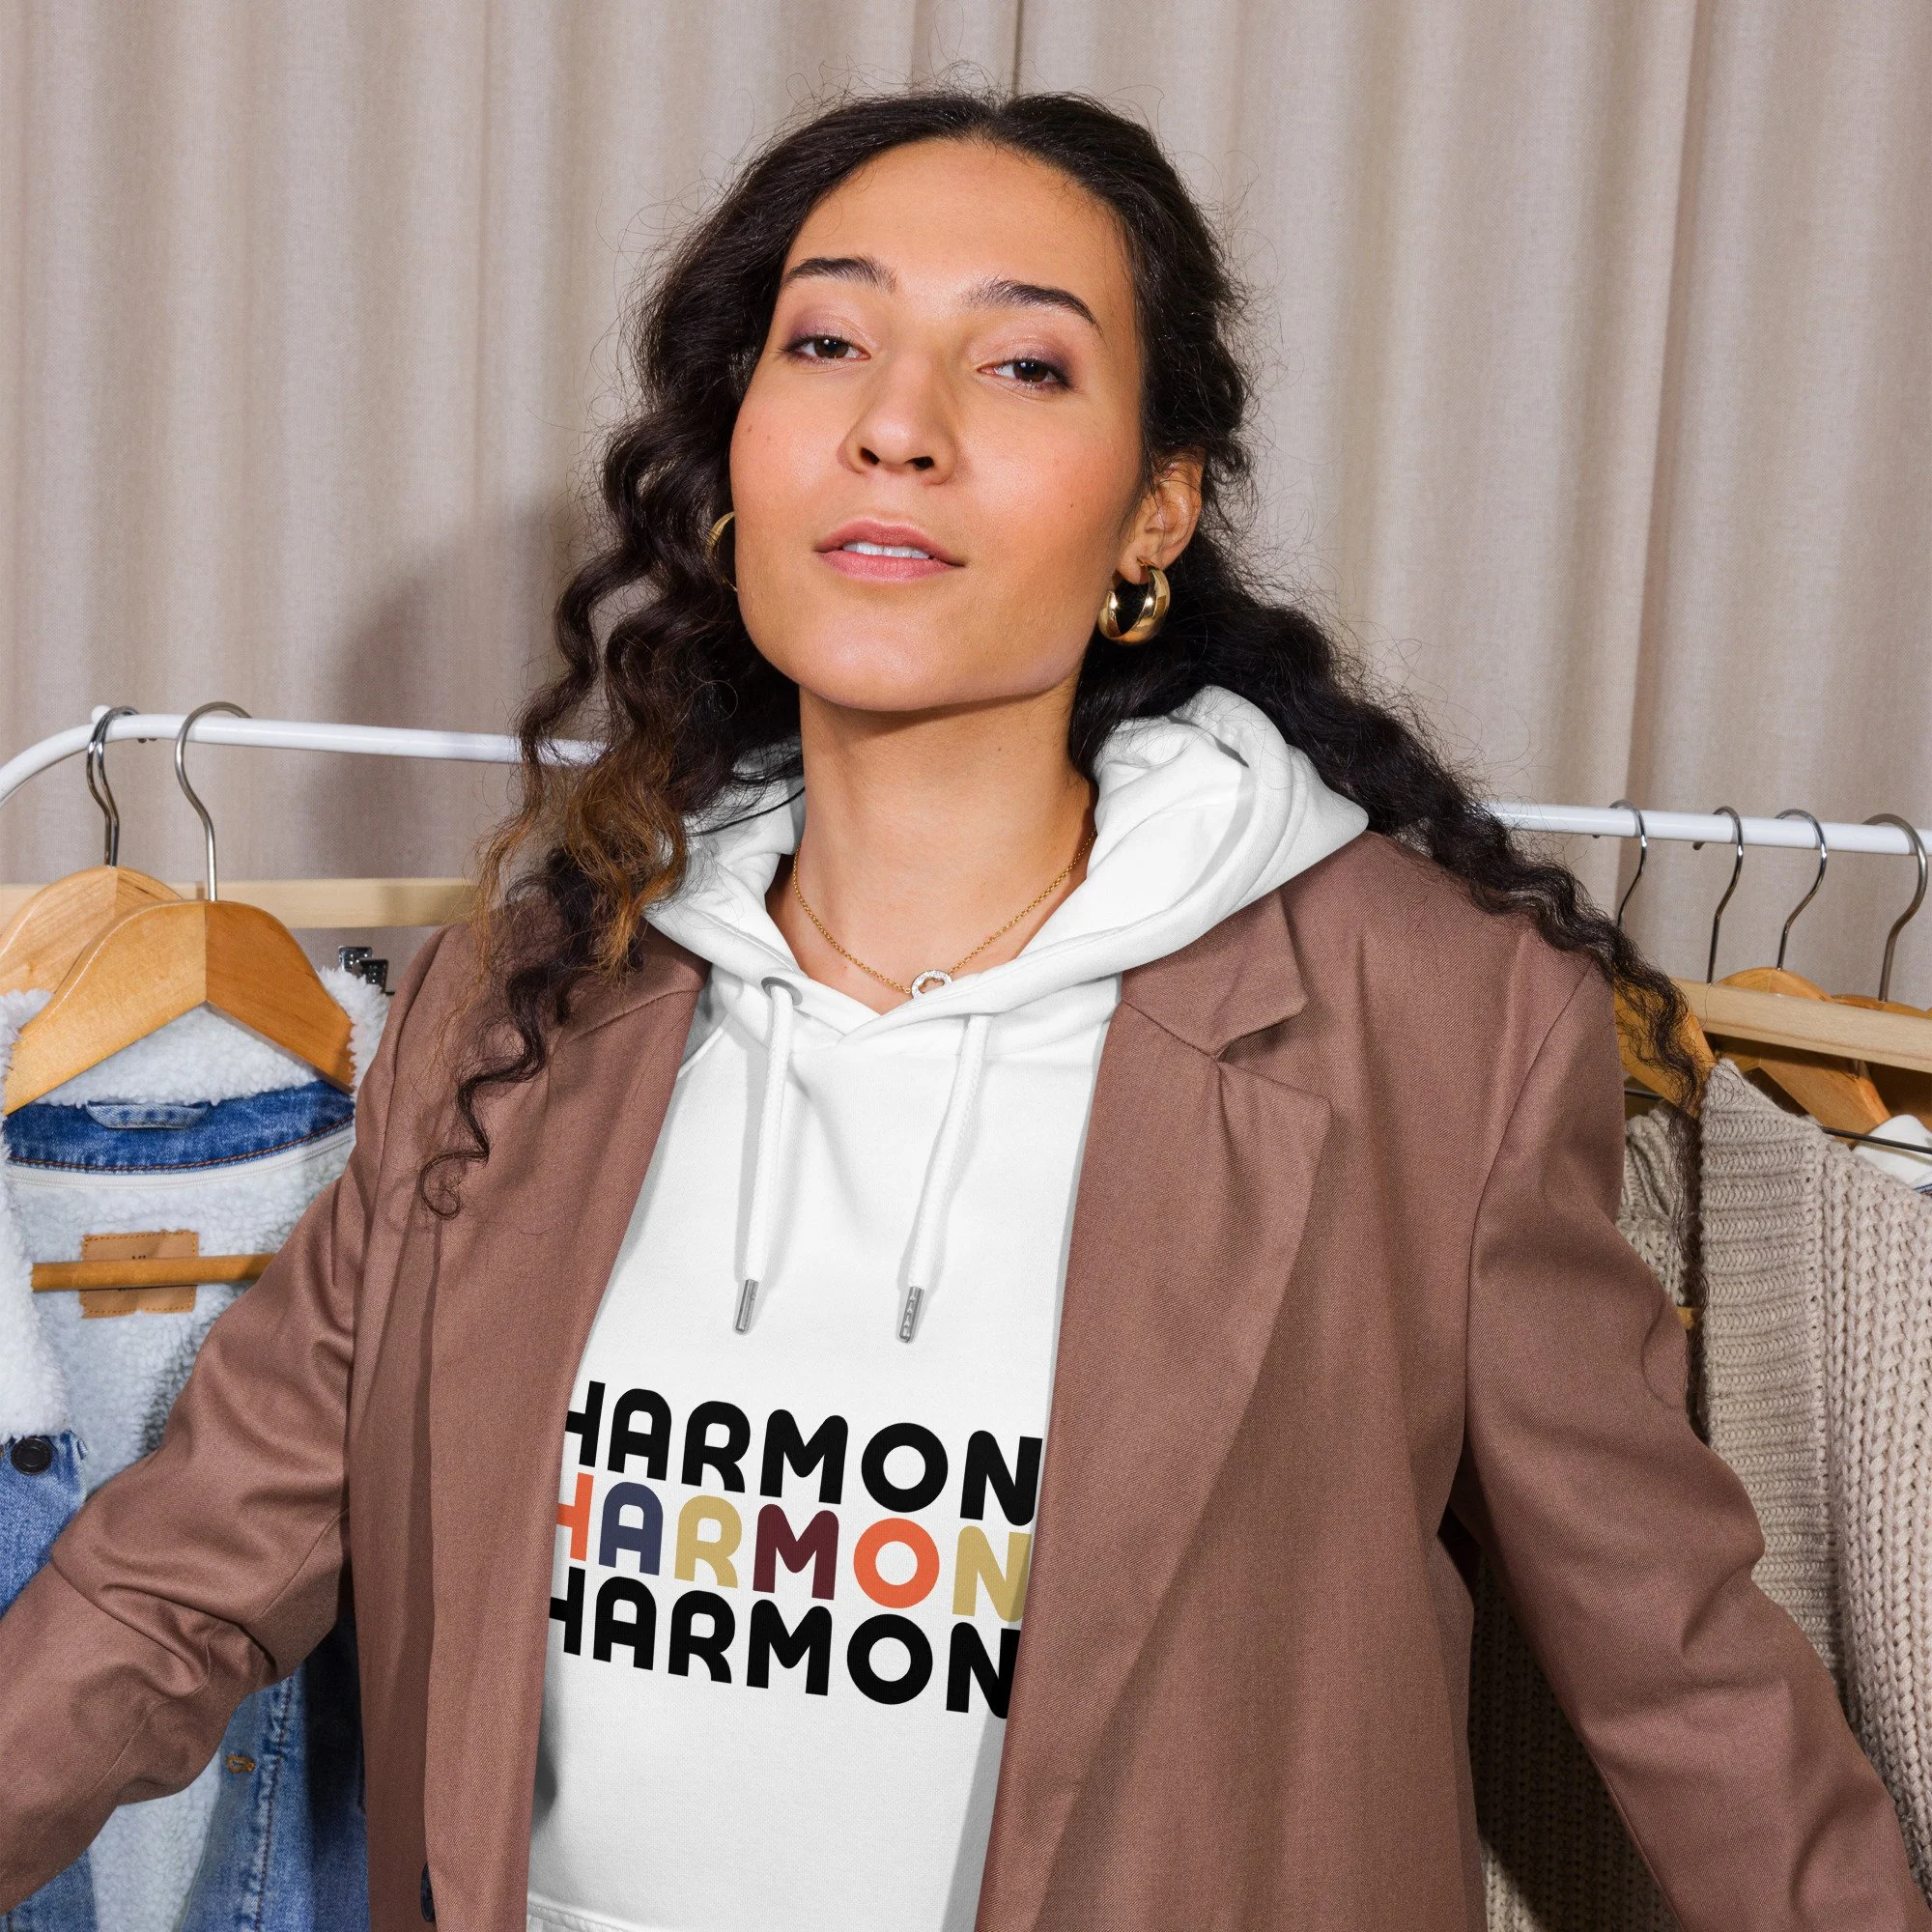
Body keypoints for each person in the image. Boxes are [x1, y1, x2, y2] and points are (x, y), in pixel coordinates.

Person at [0, 88, 1923, 1932]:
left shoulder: (1435, 1024)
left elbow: (1679, 1677)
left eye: (1020, 365)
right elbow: (177, 1582)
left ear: (1155, 512)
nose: (896, 427)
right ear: (734, 459)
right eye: (826, 344)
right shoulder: (514, 1004)